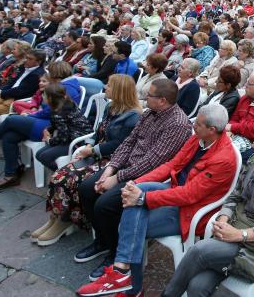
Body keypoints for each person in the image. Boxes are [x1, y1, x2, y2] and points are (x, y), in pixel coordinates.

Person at [76, 104, 239, 297]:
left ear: (212, 130)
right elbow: (172, 164)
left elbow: (189, 195)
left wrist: (143, 198)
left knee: (132, 224)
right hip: (175, 191)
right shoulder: (198, 138)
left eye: (199, 124)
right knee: (136, 196)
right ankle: (124, 275)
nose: (193, 125)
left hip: (190, 210)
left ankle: (128, 282)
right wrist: (135, 183)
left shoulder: (224, 158)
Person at [160, 121, 254, 297]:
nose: (253, 146)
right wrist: (223, 220)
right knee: (197, 287)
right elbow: (235, 195)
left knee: (198, 251)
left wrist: (240, 235)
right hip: (232, 229)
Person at [75, 79, 191, 279]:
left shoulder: (178, 124)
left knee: (105, 205)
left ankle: (115, 252)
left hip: (146, 177)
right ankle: (102, 241)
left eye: (150, 95)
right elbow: (129, 142)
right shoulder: (149, 114)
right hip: (127, 168)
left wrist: (117, 177)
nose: (145, 98)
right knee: (86, 188)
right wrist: (110, 169)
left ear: (162, 100)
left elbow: (153, 161)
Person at [32, 74, 142, 245]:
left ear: (119, 90)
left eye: (109, 85)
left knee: (72, 179)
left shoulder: (132, 117)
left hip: (112, 161)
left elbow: (118, 145)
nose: (105, 87)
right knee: (59, 175)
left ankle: (66, 220)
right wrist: (88, 145)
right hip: (96, 154)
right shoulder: (111, 107)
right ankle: (56, 217)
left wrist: (91, 150)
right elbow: (98, 131)